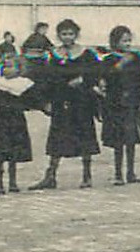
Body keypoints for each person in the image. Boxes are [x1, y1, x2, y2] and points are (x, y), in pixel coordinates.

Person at [28, 19, 102, 190]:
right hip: (61, 101)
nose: (67, 37)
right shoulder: (54, 55)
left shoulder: (86, 54)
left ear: (76, 35)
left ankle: (87, 175)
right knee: (57, 138)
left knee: (85, 136)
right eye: (64, 34)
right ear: (59, 35)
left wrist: (84, 80)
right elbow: (46, 78)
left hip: (82, 102)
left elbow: (96, 72)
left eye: (70, 34)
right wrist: (45, 101)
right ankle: (50, 176)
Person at [99, 26, 140, 186]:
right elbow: (106, 79)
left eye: (129, 40)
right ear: (115, 42)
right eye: (124, 41)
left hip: (132, 104)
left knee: (130, 139)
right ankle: (118, 173)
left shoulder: (136, 58)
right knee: (117, 140)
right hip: (115, 104)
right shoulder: (109, 60)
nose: (127, 44)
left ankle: (130, 172)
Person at [0, 53, 34, 195]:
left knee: (14, 152)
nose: (6, 70)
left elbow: (30, 101)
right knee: (0, 151)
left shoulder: (23, 84)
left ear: (19, 69)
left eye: (10, 66)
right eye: (4, 66)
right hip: (0, 121)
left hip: (16, 121)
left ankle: (13, 181)